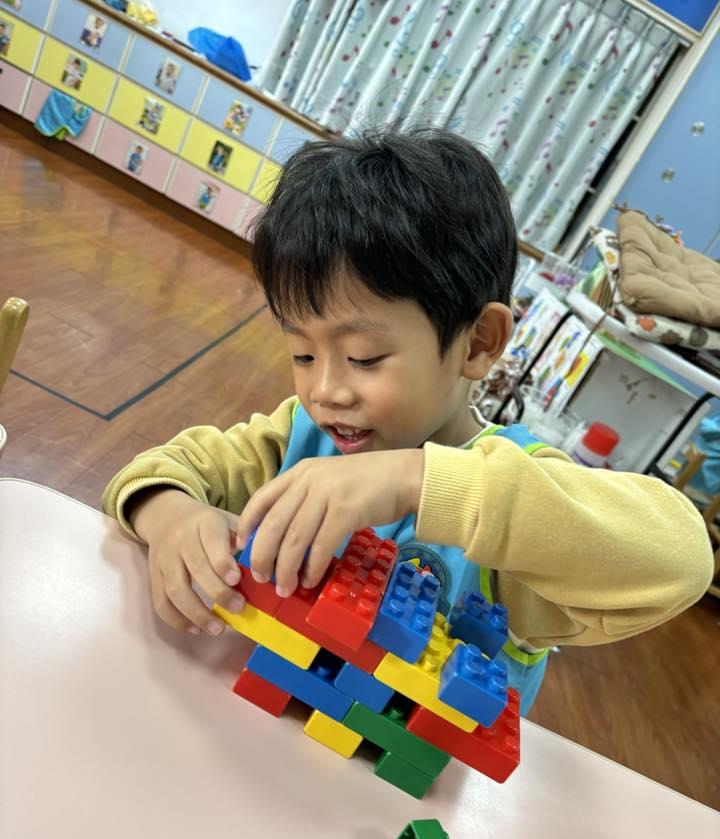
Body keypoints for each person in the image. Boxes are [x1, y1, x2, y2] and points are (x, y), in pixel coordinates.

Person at [102, 128, 713, 715]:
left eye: (364, 358)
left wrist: (416, 481)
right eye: (302, 354)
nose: (324, 391)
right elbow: (160, 469)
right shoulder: (299, 437)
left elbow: (680, 559)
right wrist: (172, 516)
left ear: (478, 342)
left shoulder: (516, 490)